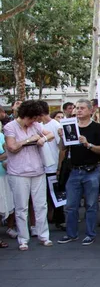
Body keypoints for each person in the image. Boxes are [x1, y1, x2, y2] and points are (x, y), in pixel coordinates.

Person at [4, 100, 55, 250]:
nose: (33, 122)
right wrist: (29, 140)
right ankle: (23, 239)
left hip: (37, 169)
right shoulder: (10, 127)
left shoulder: (36, 125)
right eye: (32, 118)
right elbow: (12, 147)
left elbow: (50, 134)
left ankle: (43, 236)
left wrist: (43, 138)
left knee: (41, 205)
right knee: (21, 207)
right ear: (25, 115)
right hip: (18, 172)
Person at [57, 99, 100, 246]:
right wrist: (62, 137)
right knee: (71, 205)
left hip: (92, 169)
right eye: (77, 108)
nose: (78, 110)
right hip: (74, 170)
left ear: (91, 111)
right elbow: (63, 148)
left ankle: (90, 234)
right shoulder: (70, 126)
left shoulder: (97, 127)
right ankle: (71, 234)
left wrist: (88, 144)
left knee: (91, 205)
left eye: (82, 108)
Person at [38, 101, 63, 229]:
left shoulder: (56, 125)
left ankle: (59, 219)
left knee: (56, 194)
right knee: (45, 195)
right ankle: (49, 218)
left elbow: (61, 147)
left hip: (53, 165)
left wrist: (59, 167)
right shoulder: (39, 125)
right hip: (42, 167)